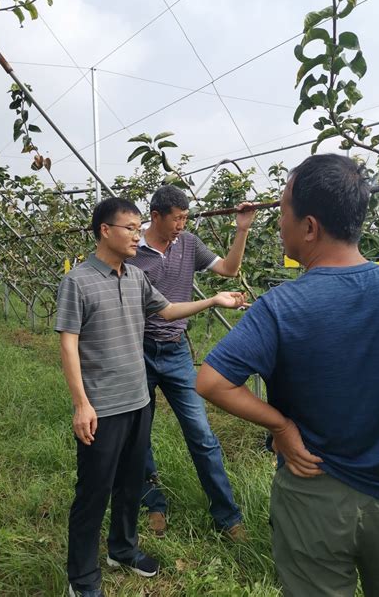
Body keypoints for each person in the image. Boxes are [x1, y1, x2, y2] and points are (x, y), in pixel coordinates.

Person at [196, 153, 379, 597]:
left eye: (282, 212)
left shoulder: (282, 306)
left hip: (312, 490)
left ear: (309, 226)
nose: (279, 225)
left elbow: (211, 382)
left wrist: (281, 425)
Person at [55, 197, 247, 597]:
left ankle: (123, 550)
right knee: (93, 492)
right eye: (130, 227)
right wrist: (81, 403)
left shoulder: (135, 277)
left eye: (139, 226)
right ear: (105, 230)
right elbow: (69, 344)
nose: (137, 234)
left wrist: (213, 300)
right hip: (102, 406)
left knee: (130, 482)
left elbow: (168, 310)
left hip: (137, 400)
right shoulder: (77, 281)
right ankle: (82, 578)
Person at [128, 184, 256, 540]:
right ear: (156, 217)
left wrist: (242, 229)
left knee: (201, 434)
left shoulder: (188, 244)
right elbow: (160, 311)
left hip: (175, 352)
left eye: (186, 218)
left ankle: (227, 516)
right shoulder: (131, 251)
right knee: (140, 433)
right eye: (177, 219)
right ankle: (153, 503)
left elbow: (229, 269)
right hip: (139, 351)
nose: (182, 225)